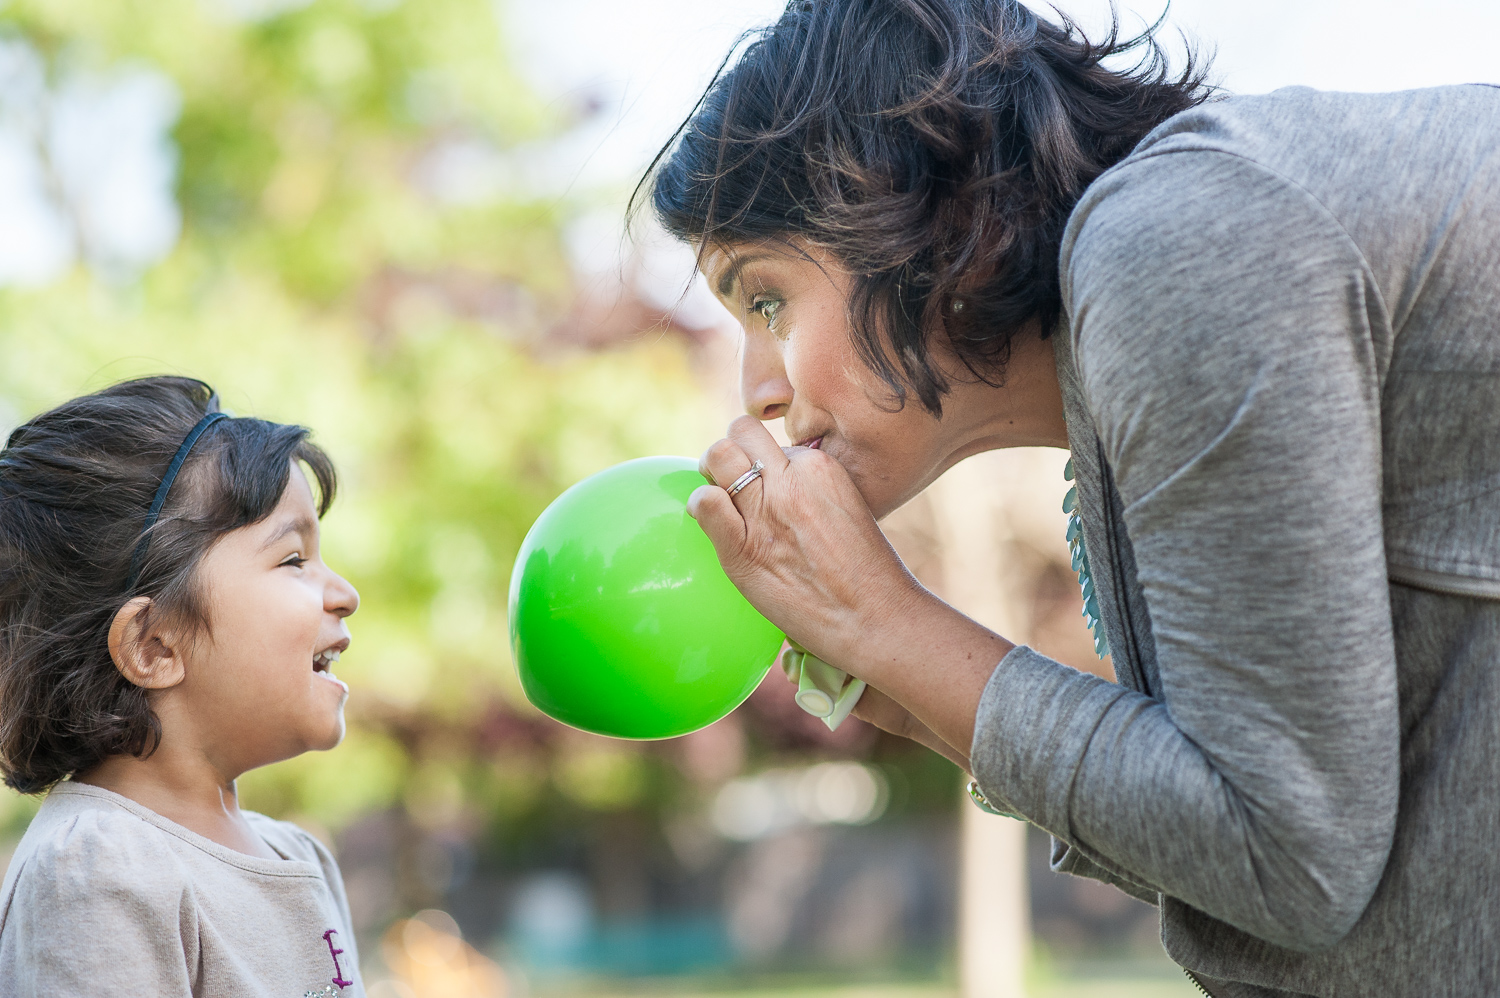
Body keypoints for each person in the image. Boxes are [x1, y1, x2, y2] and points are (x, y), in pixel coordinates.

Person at [641, 0, 1500, 994]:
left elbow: (1292, 859)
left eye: (765, 299)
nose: (758, 389)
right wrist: (915, 685)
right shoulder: (1149, 325)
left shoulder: (1174, 245)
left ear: (897, 198)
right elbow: (1283, 869)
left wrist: (894, 626)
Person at [0, 377, 364, 996]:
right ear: (154, 646)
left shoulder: (299, 857)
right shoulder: (97, 868)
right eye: (293, 559)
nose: (346, 595)